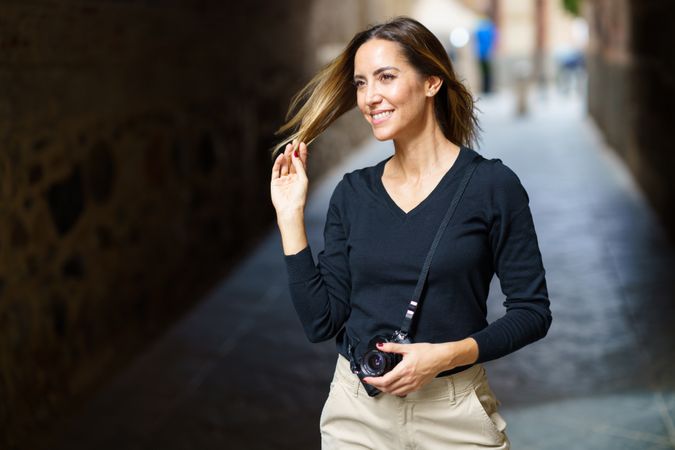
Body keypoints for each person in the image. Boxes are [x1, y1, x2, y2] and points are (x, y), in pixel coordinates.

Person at [270, 16, 551, 450]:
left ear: (431, 82)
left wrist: (446, 355)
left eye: (386, 77)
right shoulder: (353, 192)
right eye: (361, 83)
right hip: (358, 412)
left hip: (453, 411)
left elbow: (532, 312)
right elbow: (320, 321)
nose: (370, 97)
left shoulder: (493, 187)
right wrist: (290, 217)